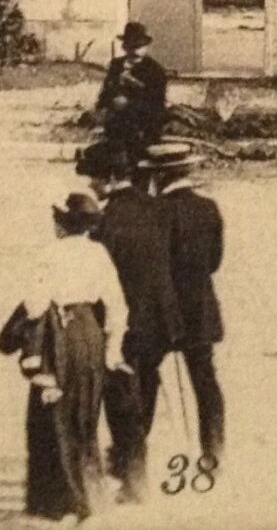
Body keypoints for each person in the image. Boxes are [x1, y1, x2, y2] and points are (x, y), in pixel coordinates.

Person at [12, 192, 126, 523]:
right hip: (89, 333)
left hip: (58, 336)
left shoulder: (49, 253)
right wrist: (113, 348)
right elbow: (118, 306)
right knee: (85, 414)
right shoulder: (99, 253)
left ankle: (61, 501)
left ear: (62, 224)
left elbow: (34, 305)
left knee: (53, 417)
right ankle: (90, 493)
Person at [95, 151, 185, 500]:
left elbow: (104, 278)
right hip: (162, 321)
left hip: (128, 322)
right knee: (144, 385)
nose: (91, 184)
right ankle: (129, 462)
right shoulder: (160, 209)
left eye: (95, 177)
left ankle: (132, 477)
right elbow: (177, 260)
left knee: (121, 398)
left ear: (110, 178)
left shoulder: (107, 221)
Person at [152, 144, 228, 467]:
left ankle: (133, 465)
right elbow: (214, 262)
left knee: (143, 379)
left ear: (159, 174)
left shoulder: (155, 212)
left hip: (163, 312)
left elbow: (154, 267)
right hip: (200, 309)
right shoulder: (209, 208)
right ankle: (214, 455)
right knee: (205, 383)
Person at [93, 22, 169, 172]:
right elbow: (103, 98)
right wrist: (111, 101)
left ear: (146, 47)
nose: (135, 50)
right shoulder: (116, 66)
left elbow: (157, 106)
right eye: (131, 45)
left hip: (143, 127)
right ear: (124, 46)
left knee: (135, 164)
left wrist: (128, 104)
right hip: (115, 127)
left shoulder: (155, 70)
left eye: (139, 45)